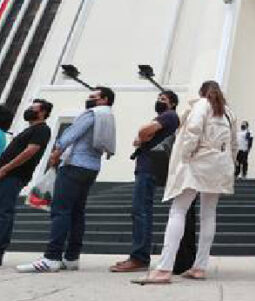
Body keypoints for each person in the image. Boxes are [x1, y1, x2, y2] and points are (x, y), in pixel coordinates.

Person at [134, 81, 236, 284]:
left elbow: (193, 131)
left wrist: (186, 156)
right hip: (220, 164)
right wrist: (228, 165)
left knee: (178, 210)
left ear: (201, 92)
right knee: (208, 214)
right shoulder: (229, 113)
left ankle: (164, 268)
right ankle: (199, 266)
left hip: (199, 161)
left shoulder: (201, 104)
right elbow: (234, 144)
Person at [18, 87, 116, 273]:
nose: (89, 99)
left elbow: (71, 133)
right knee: (77, 212)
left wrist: (56, 152)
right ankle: (71, 257)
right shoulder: (109, 116)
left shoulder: (92, 113)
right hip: (92, 167)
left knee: (60, 210)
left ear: (104, 99)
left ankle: (51, 257)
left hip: (74, 164)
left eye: (94, 97)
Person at [109, 90, 180, 272]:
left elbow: (142, 132)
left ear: (172, 103)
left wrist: (144, 134)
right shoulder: (160, 118)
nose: (159, 101)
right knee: (139, 211)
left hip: (150, 167)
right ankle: (138, 256)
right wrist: (144, 135)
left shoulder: (169, 115)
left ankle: (139, 258)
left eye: (163, 99)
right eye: (158, 98)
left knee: (141, 211)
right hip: (145, 167)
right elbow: (137, 140)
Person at [0, 100, 52, 266]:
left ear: (42, 112)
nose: (28, 109)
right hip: (7, 174)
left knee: (4, 213)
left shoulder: (42, 129)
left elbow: (30, 151)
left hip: (13, 175)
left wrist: (6, 168)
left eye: (33, 108)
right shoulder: (30, 129)